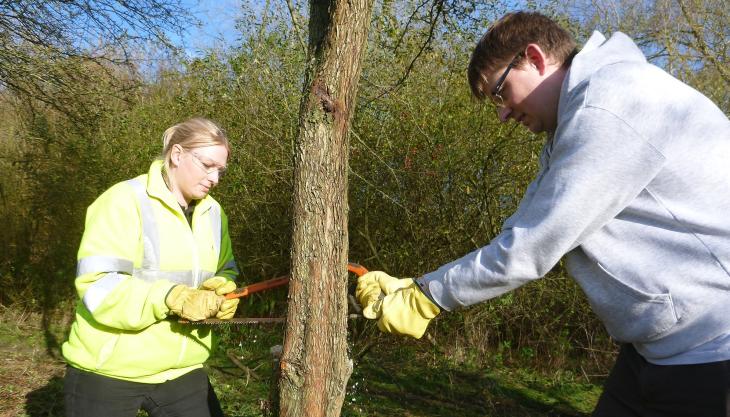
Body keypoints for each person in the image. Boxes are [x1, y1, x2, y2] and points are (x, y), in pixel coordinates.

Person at [356, 11, 730, 417]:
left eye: (500, 92)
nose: (502, 113)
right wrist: (416, 285)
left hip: (712, 348)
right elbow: (521, 229)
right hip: (658, 350)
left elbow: (533, 246)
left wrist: (429, 298)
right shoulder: (573, 125)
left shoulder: (613, 106)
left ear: (534, 58)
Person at [62, 117, 241, 417]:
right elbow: (98, 286)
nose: (215, 178)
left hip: (183, 369)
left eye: (220, 170)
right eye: (207, 165)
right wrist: (170, 297)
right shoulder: (123, 200)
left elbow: (227, 269)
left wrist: (224, 291)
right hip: (108, 370)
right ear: (177, 154)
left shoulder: (214, 213)